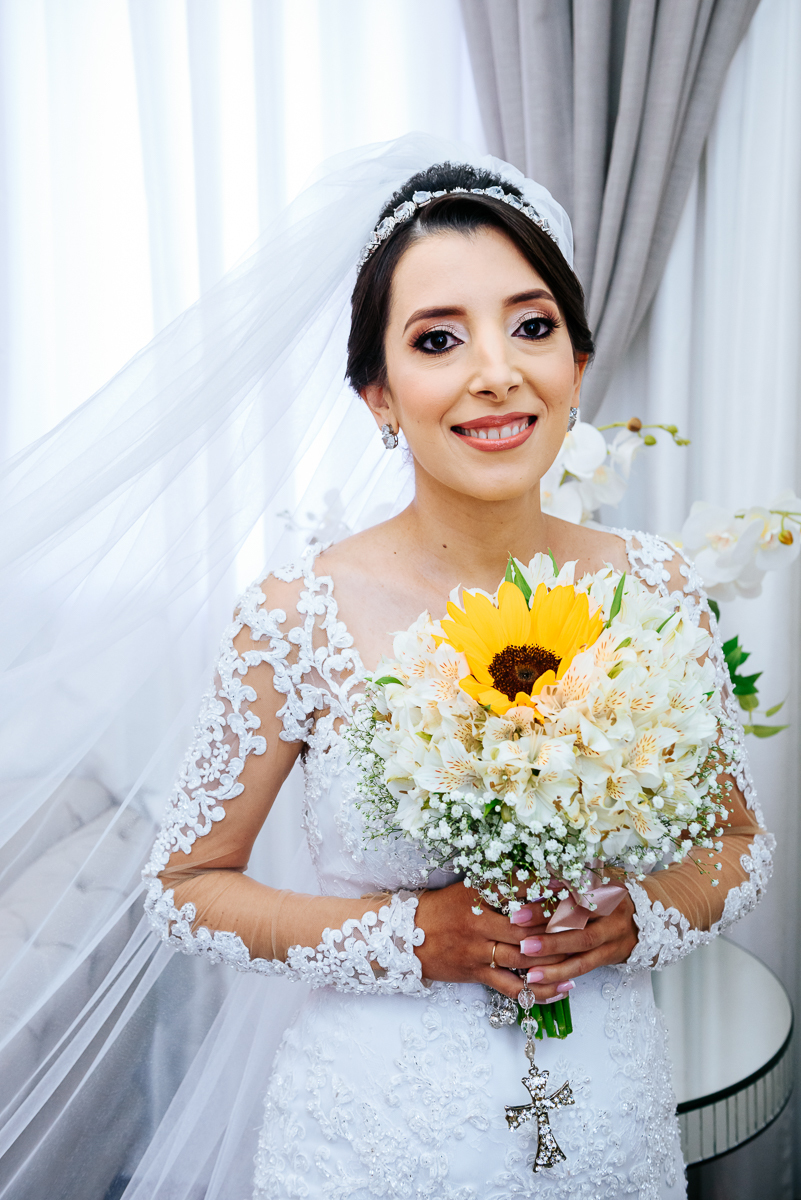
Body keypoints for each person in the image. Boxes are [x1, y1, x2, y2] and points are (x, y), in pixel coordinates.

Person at [141, 158, 772, 1199]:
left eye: (531, 328)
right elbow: (185, 891)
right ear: (379, 395)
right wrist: (411, 937)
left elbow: (740, 844)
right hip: (375, 1131)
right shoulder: (299, 615)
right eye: (439, 339)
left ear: (576, 362)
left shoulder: (657, 587)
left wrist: (641, 917)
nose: (496, 372)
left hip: (606, 1112)